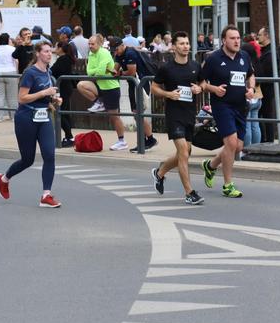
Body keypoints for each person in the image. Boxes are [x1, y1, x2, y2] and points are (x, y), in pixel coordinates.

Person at [0, 42, 63, 207]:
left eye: (50, 51)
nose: (49, 54)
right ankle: (4, 178)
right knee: (27, 159)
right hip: (26, 118)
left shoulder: (48, 72)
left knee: (50, 155)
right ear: (38, 54)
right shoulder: (29, 73)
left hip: (44, 117)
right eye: (46, 51)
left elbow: (44, 97)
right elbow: (22, 98)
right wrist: (44, 93)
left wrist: (54, 99)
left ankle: (46, 195)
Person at [200, 24, 256, 198]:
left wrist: (251, 89)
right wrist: (213, 89)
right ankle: (227, 185)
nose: (237, 41)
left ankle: (210, 166)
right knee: (231, 143)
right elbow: (200, 82)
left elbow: (250, 75)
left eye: (238, 38)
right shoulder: (214, 58)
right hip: (222, 106)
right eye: (232, 38)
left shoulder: (244, 56)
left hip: (240, 106)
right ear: (224, 40)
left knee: (238, 146)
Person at [150, 31, 204, 205]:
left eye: (187, 43)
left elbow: (203, 82)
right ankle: (189, 193)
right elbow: (154, 88)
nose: (185, 46)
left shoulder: (195, 65)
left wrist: (199, 89)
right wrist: (168, 94)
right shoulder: (167, 68)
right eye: (181, 44)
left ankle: (159, 173)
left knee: (185, 153)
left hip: (189, 114)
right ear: (173, 47)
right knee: (182, 151)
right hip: (174, 115)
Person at [76, 34, 128, 151]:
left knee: (114, 117)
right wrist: (97, 71)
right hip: (100, 86)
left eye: (92, 44)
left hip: (111, 88)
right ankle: (99, 102)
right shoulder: (91, 54)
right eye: (89, 44)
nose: (90, 46)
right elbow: (89, 72)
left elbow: (98, 72)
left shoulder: (104, 53)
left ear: (99, 44)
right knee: (81, 85)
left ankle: (122, 141)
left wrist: (98, 71)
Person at [110, 37, 158, 152]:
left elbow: (131, 72)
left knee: (138, 113)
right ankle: (147, 139)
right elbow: (115, 70)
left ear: (122, 45)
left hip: (141, 83)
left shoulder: (130, 53)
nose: (115, 52)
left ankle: (148, 140)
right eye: (113, 50)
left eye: (116, 49)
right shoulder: (119, 54)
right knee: (136, 113)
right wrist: (114, 71)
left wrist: (119, 73)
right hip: (134, 85)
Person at [50, 42, 76, 147]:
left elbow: (53, 71)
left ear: (61, 48)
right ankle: (69, 136)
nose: (55, 49)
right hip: (66, 87)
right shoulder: (66, 59)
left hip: (63, 88)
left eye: (57, 47)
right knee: (64, 112)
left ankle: (69, 136)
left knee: (60, 112)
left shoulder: (63, 59)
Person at [0, 33, 18, 122]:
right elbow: (16, 61)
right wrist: (16, 72)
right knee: (12, 96)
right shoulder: (12, 49)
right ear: (8, 39)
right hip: (11, 72)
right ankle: (13, 116)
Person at [241, 42, 262, 149]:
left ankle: (247, 148)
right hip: (257, 97)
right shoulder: (258, 63)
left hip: (248, 97)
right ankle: (256, 148)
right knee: (255, 124)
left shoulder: (245, 64)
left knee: (247, 125)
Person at [256, 26, 275, 143]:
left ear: (266, 36)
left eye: (260, 35)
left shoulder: (270, 53)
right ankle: (265, 139)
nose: (258, 37)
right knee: (261, 114)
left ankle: (268, 140)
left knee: (266, 114)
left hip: (266, 88)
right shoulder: (265, 51)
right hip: (263, 88)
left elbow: (267, 71)